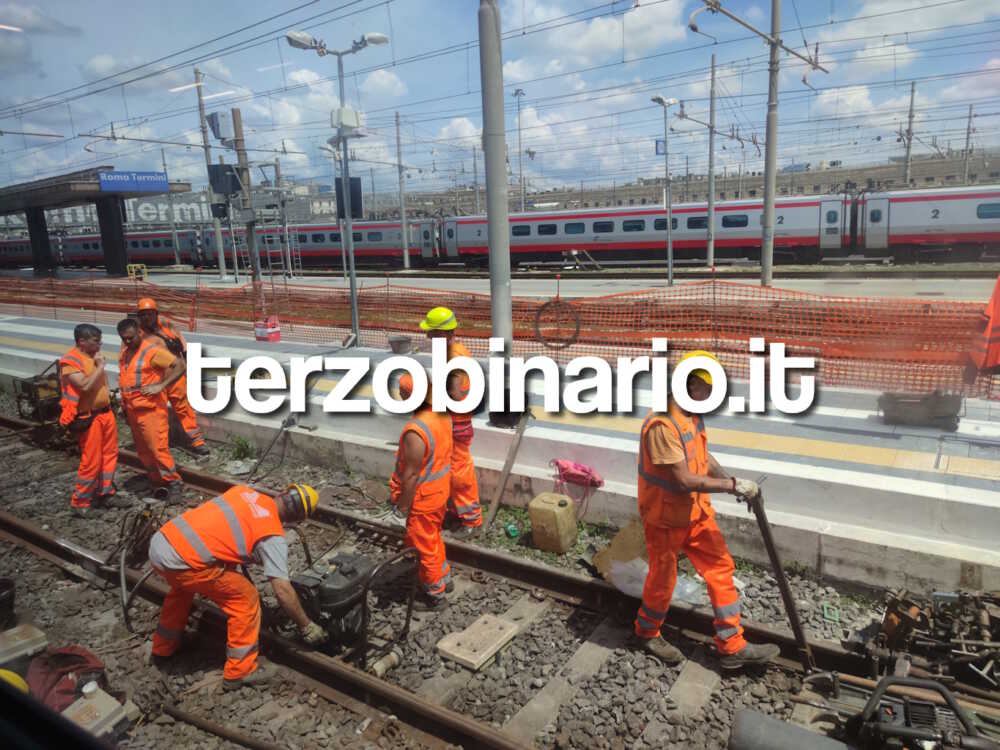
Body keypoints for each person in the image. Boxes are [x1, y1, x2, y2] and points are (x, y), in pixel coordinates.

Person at [632, 350, 781, 670]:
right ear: (690, 385)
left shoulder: (690, 413)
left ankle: (732, 645)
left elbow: (703, 457)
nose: (711, 398)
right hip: (666, 518)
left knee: (720, 569)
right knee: (663, 579)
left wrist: (731, 480)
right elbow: (684, 479)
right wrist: (732, 487)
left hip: (696, 514)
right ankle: (647, 632)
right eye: (708, 391)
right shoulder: (661, 424)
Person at [148, 484, 327, 690]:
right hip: (183, 562)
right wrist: (307, 625)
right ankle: (240, 672)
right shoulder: (273, 537)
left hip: (163, 542)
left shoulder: (245, 492)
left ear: (282, 493)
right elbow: (283, 590)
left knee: (182, 589)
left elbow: (225, 529)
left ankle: (163, 648)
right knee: (245, 598)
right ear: (298, 519)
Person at [390, 372, 454, 610]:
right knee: (434, 537)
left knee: (423, 547)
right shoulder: (441, 415)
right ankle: (444, 578)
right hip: (439, 493)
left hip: (423, 500)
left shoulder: (415, 430)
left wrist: (402, 508)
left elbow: (412, 474)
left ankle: (435, 595)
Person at [420, 306, 482, 535]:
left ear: (445, 333)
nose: (427, 337)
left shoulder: (454, 356)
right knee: (450, 468)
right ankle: (459, 511)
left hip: (456, 423)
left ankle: (472, 519)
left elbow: (454, 394)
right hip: (452, 422)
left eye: (432, 333)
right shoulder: (452, 351)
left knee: (459, 471)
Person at [117, 318, 185, 501]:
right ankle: (156, 481)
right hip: (133, 409)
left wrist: (161, 385)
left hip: (151, 410)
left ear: (139, 333)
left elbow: (180, 365)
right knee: (144, 450)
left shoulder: (151, 351)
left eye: (131, 338)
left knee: (158, 449)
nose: (128, 342)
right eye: (124, 339)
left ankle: (173, 482)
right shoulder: (125, 352)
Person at [59, 324, 120, 515]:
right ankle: (80, 503)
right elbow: (84, 385)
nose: (100, 344)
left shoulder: (93, 357)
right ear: (81, 341)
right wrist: (100, 366)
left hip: (105, 413)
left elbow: (100, 383)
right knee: (91, 460)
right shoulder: (70, 361)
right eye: (96, 341)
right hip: (89, 417)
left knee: (109, 454)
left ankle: (105, 492)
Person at [136, 298, 210, 456]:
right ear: (138, 317)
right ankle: (160, 447)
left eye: (150, 314)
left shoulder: (167, 325)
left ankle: (197, 441)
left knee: (184, 409)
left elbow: (182, 344)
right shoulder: (137, 334)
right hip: (155, 381)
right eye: (143, 315)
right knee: (159, 413)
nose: (146, 318)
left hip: (175, 377)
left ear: (156, 314)